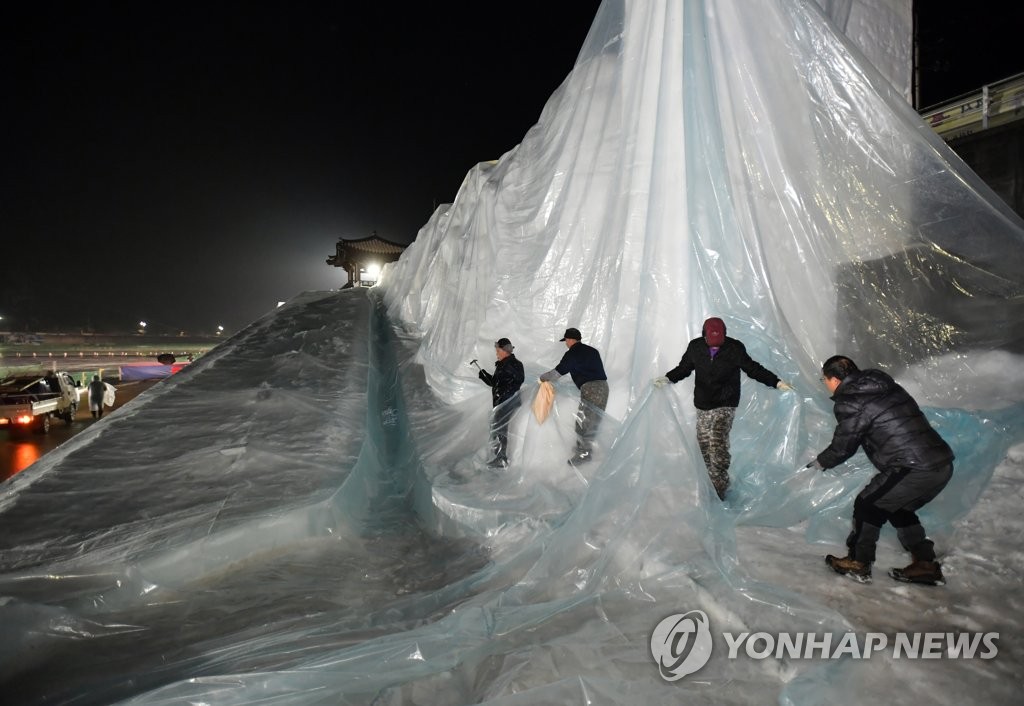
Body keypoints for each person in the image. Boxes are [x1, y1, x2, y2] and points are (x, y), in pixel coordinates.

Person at [808, 355, 954, 585]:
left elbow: (844, 445)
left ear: (835, 380)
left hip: (913, 466)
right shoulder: (883, 385)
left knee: (868, 505)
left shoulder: (850, 401)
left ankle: (859, 562)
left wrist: (821, 462)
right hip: (940, 463)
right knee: (898, 508)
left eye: (824, 379)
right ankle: (925, 565)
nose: (825, 384)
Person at [653, 317, 792, 500]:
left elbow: (753, 369)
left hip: (725, 404)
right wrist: (668, 378)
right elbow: (684, 368)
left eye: (720, 342)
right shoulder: (695, 347)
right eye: (712, 343)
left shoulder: (734, 348)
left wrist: (777, 382)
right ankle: (709, 485)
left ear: (725, 335)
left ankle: (719, 491)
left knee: (717, 444)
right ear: (704, 336)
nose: (716, 346)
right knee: (704, 445)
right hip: (703, 404)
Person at [540, 327, 608, 466]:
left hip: (591, 389)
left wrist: (542, 378)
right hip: (604, 387)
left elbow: (557, 373)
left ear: (570, 339)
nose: (566, 343)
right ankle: (583, 450)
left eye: (566, 340)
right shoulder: (592, 351)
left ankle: (583, 455)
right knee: (593, 422)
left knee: (584, 422)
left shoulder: (573, 353)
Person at [477, 338, 525, 468]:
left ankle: (501, 458)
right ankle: (498, 455)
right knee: (498, 428)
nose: (496, 353)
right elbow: (496, 383)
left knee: (501, 429)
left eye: (498, 350)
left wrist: (504, 391)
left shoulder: (514, 364)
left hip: (507, 402)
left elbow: (519, 379)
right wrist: (484, 375)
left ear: (505, 351)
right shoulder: (502, 364)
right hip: (501, 402)